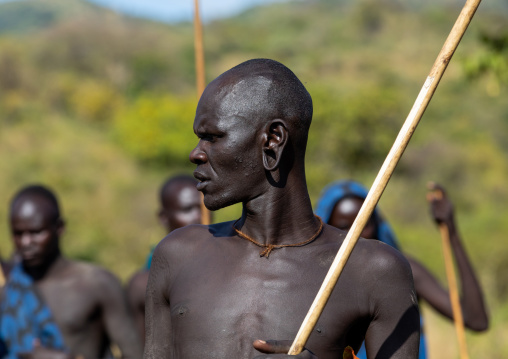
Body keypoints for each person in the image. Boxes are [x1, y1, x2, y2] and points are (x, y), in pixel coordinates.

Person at [144, 59, 420, 358]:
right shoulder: (177, 255)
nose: (195, 153)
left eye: (213, 137)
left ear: (273, 140)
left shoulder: (372, 270)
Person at [315, 180, 489, 359]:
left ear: (376, 224)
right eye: (343, 226)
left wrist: (451, 232)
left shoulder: (400, 271)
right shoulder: (313, 280)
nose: (356, 234)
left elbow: (476, 321)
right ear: (325, 228)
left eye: (364, 223)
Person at [0, 185, 143, 359]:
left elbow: (135, 355)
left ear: (59, 227)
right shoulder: (8, 292)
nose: (26, 242)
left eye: (36, 232)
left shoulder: (98, 284)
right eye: (18, 234)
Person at [126, 174, 202, 344]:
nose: (199, 217)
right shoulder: (143, 282)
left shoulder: (227, 264)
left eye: (203, 209)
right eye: (188, 210)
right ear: (163, 217)